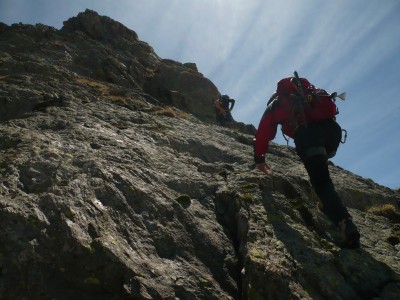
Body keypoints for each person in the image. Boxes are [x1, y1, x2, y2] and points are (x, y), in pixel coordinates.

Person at [253, 74, 360, 248]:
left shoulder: (278, 104)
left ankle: (344, 221)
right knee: (320, 170)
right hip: (332, 134)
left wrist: (259, 158)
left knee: (321, 181)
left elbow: (264, 132)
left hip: (309, 136)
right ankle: (327, 205)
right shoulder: (312, 93)